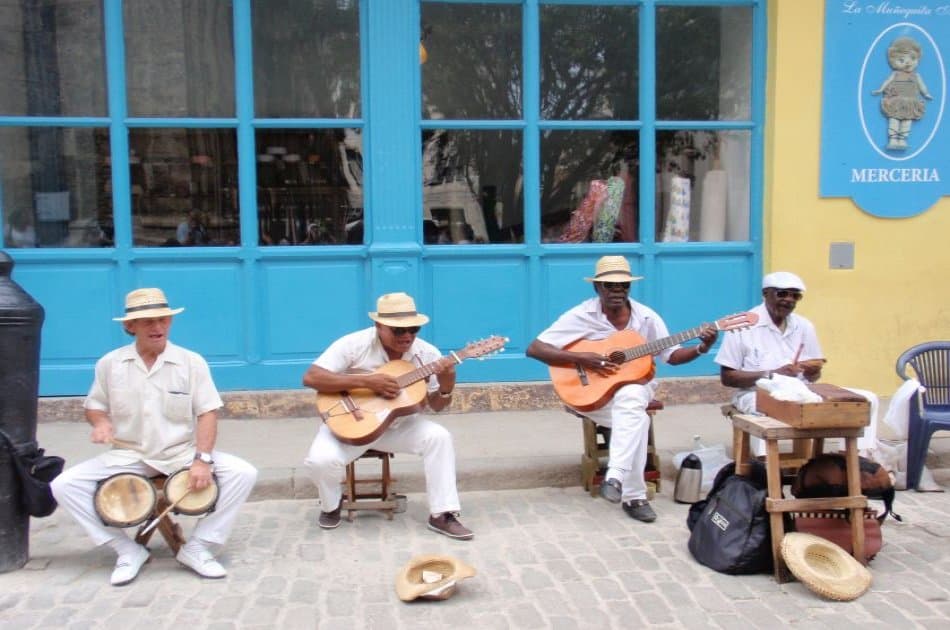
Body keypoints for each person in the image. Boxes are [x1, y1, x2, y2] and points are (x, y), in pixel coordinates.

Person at [50, 288, 258, 586]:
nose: (157, 327)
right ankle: (126, 550)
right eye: (148, 322)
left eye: (163, 320)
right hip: (128, 455)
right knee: (64, 485)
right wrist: (100, 424)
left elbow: (208, 413)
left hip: (179, 454)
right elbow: (94, 406)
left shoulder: (191, 362)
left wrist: (203, 459)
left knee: (243, 473)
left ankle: (198, 547)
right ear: (130, 326)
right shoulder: (110, 363)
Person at [526, 256, 718, 522]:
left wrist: (702, 347)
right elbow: (535, 348)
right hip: (590, 394)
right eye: (609, 285)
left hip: (636, 390)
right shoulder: (582, 314)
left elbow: (671, 356)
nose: (617, 291)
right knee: (634, 418)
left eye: (623, 286)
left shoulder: (647, 317)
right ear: (597, 288)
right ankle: (633, 496)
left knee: (631, 397)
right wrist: (582, 359)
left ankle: (615, 477)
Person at [302, 292, 473, 540]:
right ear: (379, 326)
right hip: (349, 422)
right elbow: (311, 377)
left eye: (413, 330)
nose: (407, 337)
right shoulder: (354, 344)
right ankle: (330, 505)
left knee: (439, 437)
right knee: (319, 461)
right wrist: (367, 382)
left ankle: (442, 514)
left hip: (399, 427)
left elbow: (436, 406)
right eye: (398, 330)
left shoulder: (428, 355)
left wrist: (447, 386)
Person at [715, 271, 878, 453]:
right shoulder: (742, 326)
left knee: (867, 399)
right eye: (782, 294)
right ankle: (764, 467)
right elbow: (728, 378)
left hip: (801, 392)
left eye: (795, 295)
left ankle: (855, 459)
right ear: (765, 294)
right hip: (755, 393)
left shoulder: (804, 326)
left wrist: (812, 371)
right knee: (766, 409)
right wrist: (773, 373)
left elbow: (814, 377)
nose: (789, 300)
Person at [871, 36, 932, 151]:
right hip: (896, 100)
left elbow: (922, 86)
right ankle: (893, 140)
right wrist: (880, 89)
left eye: (912, 59)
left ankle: (903, 140)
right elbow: (887, 81)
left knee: (907, 120)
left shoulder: (916, 76)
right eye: (901, 60)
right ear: (893, 61)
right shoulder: (895, 74)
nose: (907, 63)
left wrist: (926, 93)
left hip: (911, 102)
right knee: (893, 119)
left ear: (918, 59)